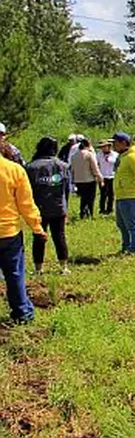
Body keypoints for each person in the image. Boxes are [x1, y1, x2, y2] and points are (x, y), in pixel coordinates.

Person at [0, 141, 45, 324]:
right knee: (15, 274)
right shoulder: (14, 170)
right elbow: (26, 205)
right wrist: (37, 228)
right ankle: (22, 313)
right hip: (8, 232)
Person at [25, 137, 71, 276]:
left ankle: (38, 268)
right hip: (58, 207)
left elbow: (27, 190)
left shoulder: (31, 167)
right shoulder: (62, 166)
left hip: (39, 208)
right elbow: (67, 189)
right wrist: (65, 206)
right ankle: (64, 267)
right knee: (60, 236)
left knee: (39, 237)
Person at [112, 132, 135, 256]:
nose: (113, 146)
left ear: (123, 143)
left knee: (131, 224)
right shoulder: (122, 157)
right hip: (121, 196)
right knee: (121, 224)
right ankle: (126, 246)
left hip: (130, 196)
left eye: (115, 143)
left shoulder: (132, 157)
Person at [70, 138, 103, 219]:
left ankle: (82, 213)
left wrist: (73, 180)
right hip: (89, 180)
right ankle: (89, 213)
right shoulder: (89, 154)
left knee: (83, 198)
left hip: (78, 180)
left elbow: (72, 170)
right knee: (90, 198)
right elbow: (94, 168)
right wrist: (100, 178)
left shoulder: (74, 156)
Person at [96, 140, 118, 215]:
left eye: (105, 147)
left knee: (111, 194)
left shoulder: (115, 154)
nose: (103, 148)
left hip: (112, 176)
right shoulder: (99, 155)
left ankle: (110, 209)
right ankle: (102, 209)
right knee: (103, 194)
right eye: (102, 147)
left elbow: (116, 164)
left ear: (109, 147)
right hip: (103, 176)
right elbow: (97, 164)